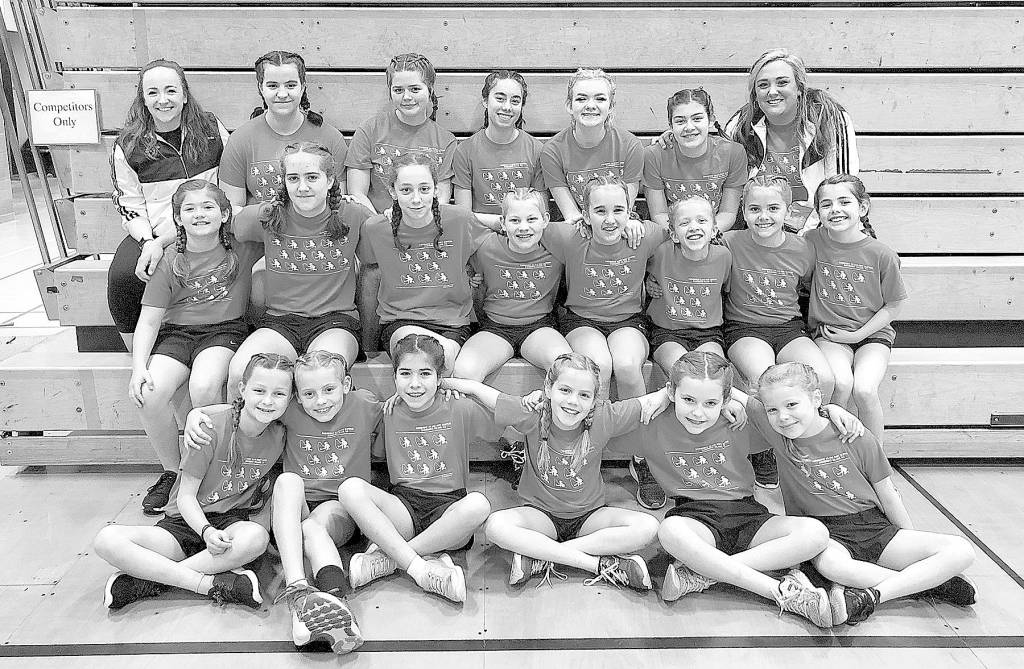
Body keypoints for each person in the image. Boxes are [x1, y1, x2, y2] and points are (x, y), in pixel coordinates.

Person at [632, 351, 864, 627]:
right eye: (688, 400)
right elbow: (598, 416)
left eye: (710, 402)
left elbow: (790, 416)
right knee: (670, 531)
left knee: (816, 533)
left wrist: (827, 409)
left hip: (748, 515)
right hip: (696, 519)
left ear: (726, 399)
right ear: (673, 392)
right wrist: (659, 395)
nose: (698, 412)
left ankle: (705, 574)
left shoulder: (739, 421)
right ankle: (780, 592)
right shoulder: (654, 422)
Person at [185, 350, 382, 654]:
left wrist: (450, 386)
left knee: (313, 529)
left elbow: (405, 404)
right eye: (309, 393)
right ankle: (301, 590)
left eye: (328, 389)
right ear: (297, 397)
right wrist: (196, 414)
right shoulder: (289, 411)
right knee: (288, 481)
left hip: (340, 507)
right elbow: (247, 407)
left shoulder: (364, 403)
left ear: (345, 385)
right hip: (295, 511)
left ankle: (328, 601)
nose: (320, 401)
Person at [757, 362, 977, 625]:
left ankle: (876, 593)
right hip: (824, 533)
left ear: (816, 398)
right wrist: (831, 408)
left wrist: (908, 540)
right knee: (832, 566)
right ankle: (929, 584)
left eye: (792, 405)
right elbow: (727, 393)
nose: (782, 416)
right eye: (772, 409)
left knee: (962, 550)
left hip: (871, 525)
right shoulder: (779, 436)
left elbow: (888, 494)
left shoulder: (855, 436)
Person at [448, 353, 671, 591]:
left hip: (589, 517)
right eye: (565, 390)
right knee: (495, 526)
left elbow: (651, 401)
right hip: (540, 517)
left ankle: (542, 555)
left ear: (594, 400)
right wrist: (443, 384)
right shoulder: (533, 412)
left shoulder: (605, 416)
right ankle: (597, 564)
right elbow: (484, 393)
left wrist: (667, 393)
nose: (573, 401)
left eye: (584, 395)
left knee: (648, 527)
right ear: (548, 389)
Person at [94, 353, 292, 611]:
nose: (268, 401)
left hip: (230, 525)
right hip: (185, 524)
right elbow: (186, 497)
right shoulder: (207, 428)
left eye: (279, 394)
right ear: (243, 389)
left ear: (290, 397)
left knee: (256, 538)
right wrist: (205, 531)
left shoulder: (281, 432)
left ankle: (150, 580)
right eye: (259, 390)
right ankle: (207, 584)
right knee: (107, 539)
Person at [129, 180, 260, 515]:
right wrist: (138, 367)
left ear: (224, 214)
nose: (199, 214)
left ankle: (212, 470)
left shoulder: (241, 246)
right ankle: (174, 472)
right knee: (149, 392)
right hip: (177, 334)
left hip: (223, 331)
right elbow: (149, 321)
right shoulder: (169, 260)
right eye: (189, 209)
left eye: (208, 207)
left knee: (203, 387)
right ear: (178, 218)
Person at [337, 335, 496, 603]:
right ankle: (420, 567)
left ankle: (393, 558)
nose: (414, 384)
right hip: (404, 509)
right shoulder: (387, 412)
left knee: (479, 505)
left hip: (448, 512)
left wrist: (468, 387)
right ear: (394, 377)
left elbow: (512, 416)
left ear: (439, 377)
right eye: (405, 374)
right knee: (349, 489)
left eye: (425, 374)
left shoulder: (458, 406)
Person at [542, 175, 668, 510]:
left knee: (626, 365)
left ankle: (642, 455)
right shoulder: (569, 236)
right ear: (585, 213)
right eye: (600, 211)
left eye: (618, 210)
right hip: (581, 319)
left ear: (630, 210)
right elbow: (524, 226)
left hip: (628, 320)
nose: (610, 219)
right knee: (598, 365)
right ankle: (587, 450)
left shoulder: (645, 235)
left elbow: (682, 233)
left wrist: (653, 272)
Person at [227, 141, 371, 396]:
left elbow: (389, 240)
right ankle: (237, 423)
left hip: (335, 322)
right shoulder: (267, 215)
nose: (302, 187)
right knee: (241, 372)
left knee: (322, 375)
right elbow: (215, 221)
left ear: (330, 180)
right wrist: (158, 243)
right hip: (280, 322)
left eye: (312, 177)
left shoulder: (353, 215)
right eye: (293, 178)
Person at [108, 58, 228, 351]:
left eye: (171, 90)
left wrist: (164, 241)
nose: (163, 100)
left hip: (207, 226)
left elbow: (229, 183)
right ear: (143, 99)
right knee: (123, 276)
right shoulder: (128, 145)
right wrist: (149, 241)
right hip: (154, 232)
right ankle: (136, 355)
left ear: (185, 94)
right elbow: (129, 204)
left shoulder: (212, 130)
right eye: (153, 92)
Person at [723, 174, 835, 488]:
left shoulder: (803, 249)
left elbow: (808, 285)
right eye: (754, 209)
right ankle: (762, 450)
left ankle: (807, 444)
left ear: (788, 211)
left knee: (824, 377)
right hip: (745, 328)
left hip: (788, 328)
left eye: (773, 208)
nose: (764, 216)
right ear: (743, 211)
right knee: (764, 379)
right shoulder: (730, 243)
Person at [357, 152, 483, 370]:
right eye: (406, 190)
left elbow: (492, 248)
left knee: (444, 364)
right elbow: (369, 274)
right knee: (420, 358)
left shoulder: (460, 220)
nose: (416, 199)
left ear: (436, 189)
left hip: (452, 324)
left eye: (424, 189)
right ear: (393, 192)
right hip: (400, 322)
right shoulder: (376, 229)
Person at [807, 175, 907, 445]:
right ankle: (834, 451)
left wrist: (857, 335)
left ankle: (876, 459)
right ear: (818, 212)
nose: (835, 209)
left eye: (844, 202)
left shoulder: (882, 254)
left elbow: (894, 304)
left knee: (864, 390)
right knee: (840, 383)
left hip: (872, 336)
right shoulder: (812, 241)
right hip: (830, 334)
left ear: (862, 207)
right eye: (826, 204)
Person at [724, 48, 859, 233]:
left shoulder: (829, 118)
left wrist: (808, 237)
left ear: (800, 88)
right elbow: (725, 186)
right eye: (763, 85)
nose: (772, 92)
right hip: (759, 229)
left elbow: (842, 189)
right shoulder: (740, 125)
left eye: (782, 82)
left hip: (819, 228)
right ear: (755, 93)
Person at [219, 50, 348, 208]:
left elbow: (338, 202)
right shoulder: (240, 140)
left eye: (290, 85)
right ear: (261, 88)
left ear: (302, 87)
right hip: (262, 223)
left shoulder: (331, 138)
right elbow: (233, 208)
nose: (282, 94)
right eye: (272, 86)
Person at [346, 52, 457, 214]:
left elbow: (440, 199)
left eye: (415, 89)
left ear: (430, 89)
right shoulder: (369, 130)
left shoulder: (446, 141)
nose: (406, 97)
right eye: (398, 90)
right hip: (375, 223)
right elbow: (357, 193)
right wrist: (379, 224)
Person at [540, 68, 643, 225]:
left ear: (611, 106)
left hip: (618, 224)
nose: (590, 105)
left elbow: (623, 211)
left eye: (600, 99)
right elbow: (572, 216)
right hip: (580, 228)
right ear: (569, 105)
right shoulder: (552, 152)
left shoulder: (631, 146)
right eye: (581, 99)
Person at [646, 196, 731, 376]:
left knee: (714, 373)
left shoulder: (724, 257)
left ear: (714, 230)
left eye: (701, 221)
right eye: (684, 223)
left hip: (709, 333)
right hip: (667, 333)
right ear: (673, 234)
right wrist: (649, 281)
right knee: (683, 373)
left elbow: (726, 288)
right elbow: (643, 270)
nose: (693, 227)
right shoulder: (662, 252)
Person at [453, 70, 546, 229]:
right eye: (500, 98)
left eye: (515, 101)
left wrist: (513, 226)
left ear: (522, 105)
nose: (507, 107)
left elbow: (541, 213)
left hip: (524, 234)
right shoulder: (465, 151)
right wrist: (503, 223)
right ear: (485, 100)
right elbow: (463, 216)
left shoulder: (536, 150)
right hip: (481, 236)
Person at [645, 88, 746, 232]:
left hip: (715, 232)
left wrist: (704, 235)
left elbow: (728, 213)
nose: (689, 127)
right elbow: (659, 214)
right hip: (673, 233)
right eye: (680, 121)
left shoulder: (733, 153)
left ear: (711, 120)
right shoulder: (654, 155)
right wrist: (684, 235)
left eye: (697, 118)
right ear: (670, 125)